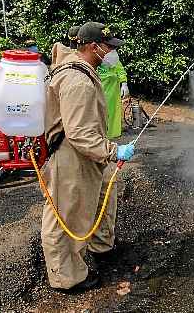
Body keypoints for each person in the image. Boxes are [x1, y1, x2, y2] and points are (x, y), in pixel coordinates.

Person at [41, 21, 135, 291]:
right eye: (108, 47)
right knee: (64, 216)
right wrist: (114, 150)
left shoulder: (84, 70)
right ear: (94, 47)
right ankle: (66, 278)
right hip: (71, 156)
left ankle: (99, 247)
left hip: (85, 154)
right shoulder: (78, 81)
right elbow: (79, 133)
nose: (111, 52)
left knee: (97, 198)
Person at [98, 48, 129, 139]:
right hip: (97, 88)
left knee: (112, 111)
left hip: (112, 89)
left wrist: (124, 83)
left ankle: (111, 133)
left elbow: (119, 68)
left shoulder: (111, 53)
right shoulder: (93, 52)